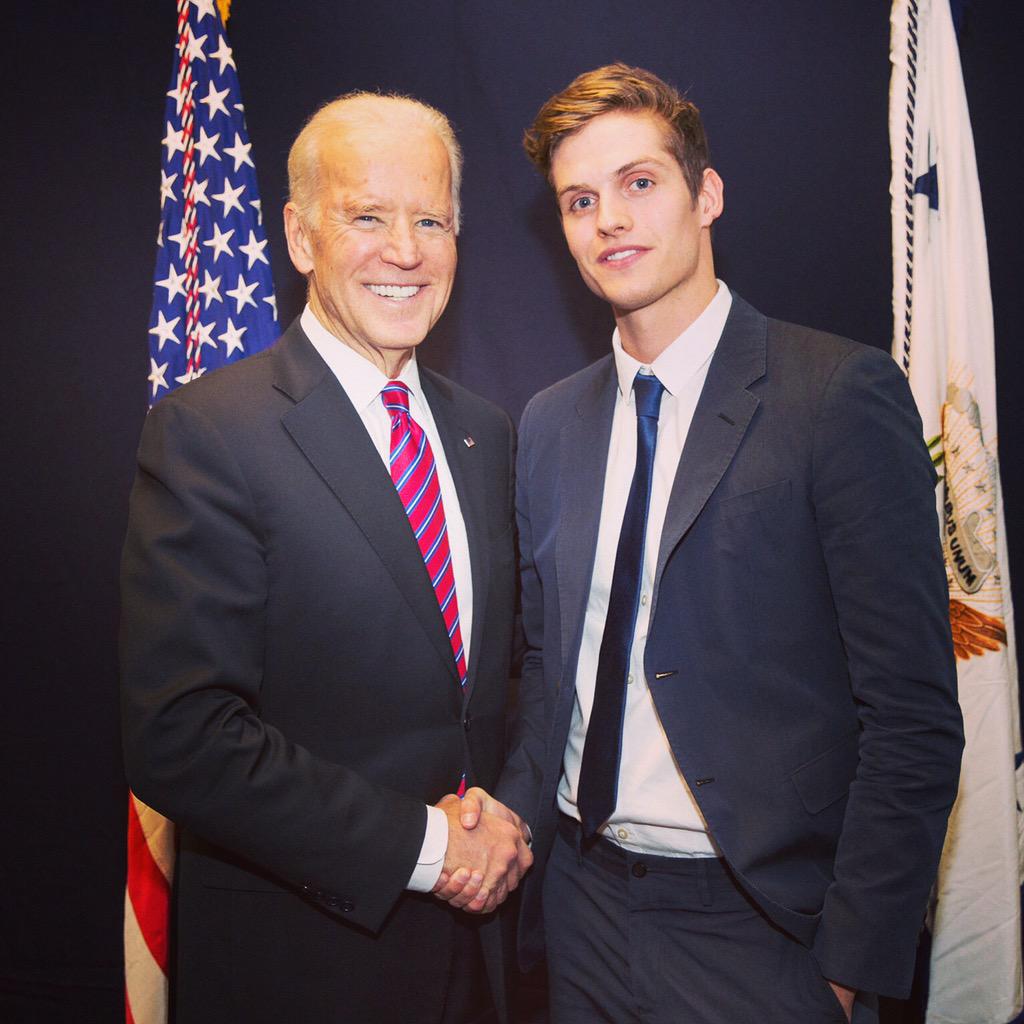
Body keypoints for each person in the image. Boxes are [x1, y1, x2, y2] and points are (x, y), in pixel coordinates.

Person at [490, 63, 964, 1023]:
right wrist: (511, 817)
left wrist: (846, 965)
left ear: (706, 194)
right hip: (579, 915)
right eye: (581, 200)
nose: (609, 219)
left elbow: (912, 715)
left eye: (638, 183)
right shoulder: (545, 424)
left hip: (763, 931)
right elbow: (549, 667)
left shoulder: (835, 396)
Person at [120, 92, 530, 1024]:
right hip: (303, 971)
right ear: (301, 239)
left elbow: (507, 681)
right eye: (368, 217)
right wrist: (429, 848)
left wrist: (504, 828)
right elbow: (180, 737)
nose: (406, 250)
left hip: (484, 968)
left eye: (431, 219)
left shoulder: (487, 435)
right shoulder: (209, 434)